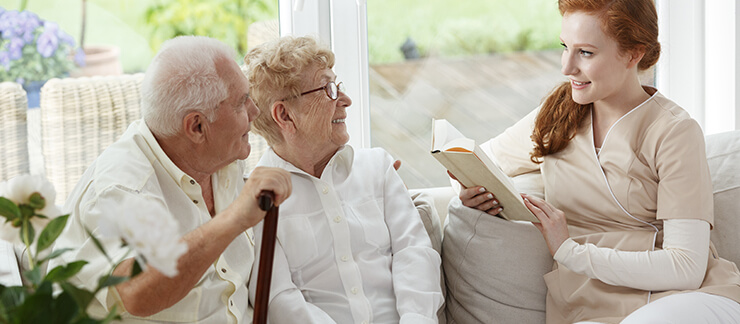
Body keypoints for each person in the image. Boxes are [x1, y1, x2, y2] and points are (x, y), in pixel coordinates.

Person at [453, 0, 740, 323]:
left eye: (585, 53)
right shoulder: (556, 116)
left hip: (687, 300)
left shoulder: (674, 132)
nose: (567, 67)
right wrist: (467, 189)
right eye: (565, 47)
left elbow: (686, 267)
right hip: (590, 309)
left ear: (634, 54)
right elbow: (476, 160)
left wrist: (570, 251)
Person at [48, 36, 292, 323]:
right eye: (241, 103)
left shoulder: (218, 157)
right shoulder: (122, 187)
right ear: (197, 127)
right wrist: (233, 219)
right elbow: (137, 292)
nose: (255, 112)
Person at [244, 36, 443, 324]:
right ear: (284, 115)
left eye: (338, 86)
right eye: (328, 89)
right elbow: (279, 298)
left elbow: (415, 252)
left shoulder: (377, 168)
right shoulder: (258, 198)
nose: (346, 100)